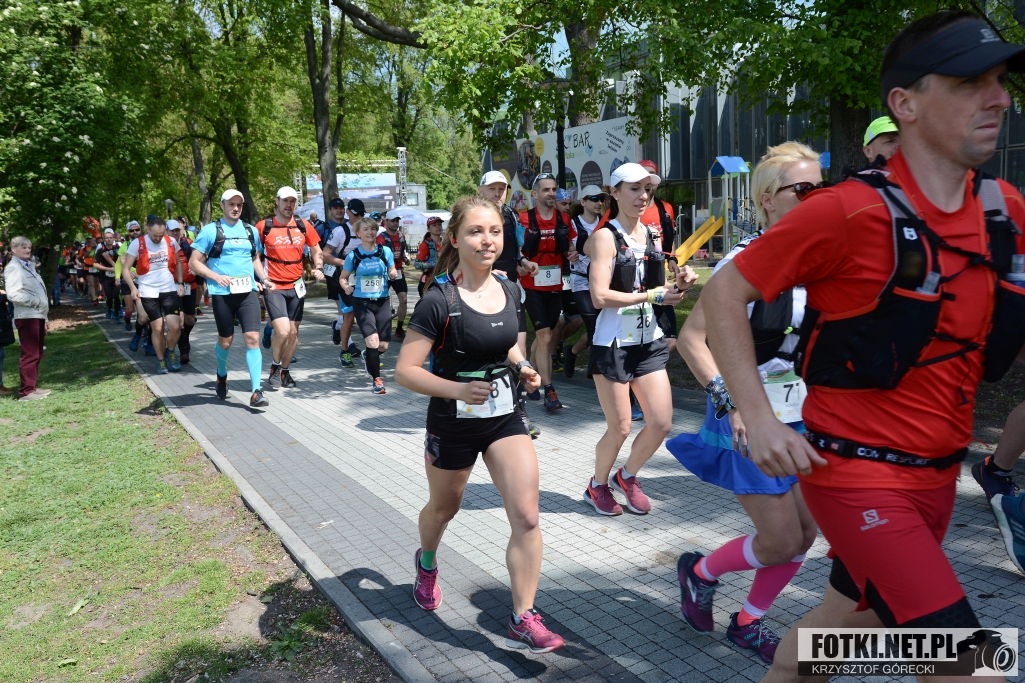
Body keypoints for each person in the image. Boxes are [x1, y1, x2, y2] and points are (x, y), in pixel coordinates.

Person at [701, 12, 1025, 681]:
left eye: (1000, 81)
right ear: (904, 103)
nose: (998, 98)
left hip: (938, 475)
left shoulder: (1004, 208)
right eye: (970, 83)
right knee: (973, 663)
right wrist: (756, 415)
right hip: (856, 476)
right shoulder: (846, 209)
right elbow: (723, 293)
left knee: (847, 625)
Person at [669, 142, 824, 665]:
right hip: (746, 415)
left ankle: (748, 621)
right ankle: (700, 573)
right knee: (779, 540)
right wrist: (732, 403)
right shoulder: (743, 262)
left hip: (801, 415)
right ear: (767, 199)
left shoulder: (822, 261)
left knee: (805, 534)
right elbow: (692, 340)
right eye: (803, 189)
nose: (816, 197)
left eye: (821, 188)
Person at [394, 194, 565, 654]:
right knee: (443, 510)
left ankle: (523, 616)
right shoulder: (438, 300)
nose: (487, 240)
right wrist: (456, 390)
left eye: (494, 231)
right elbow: (405, 371)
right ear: (455, 239)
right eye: (475, 231)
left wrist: (522, 366)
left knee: (527, 516)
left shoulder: (510, 290)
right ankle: (427, 562)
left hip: (504, 416)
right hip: (452, 420)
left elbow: (507, 343)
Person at [583, 162, 697, 516]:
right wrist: (651, 296)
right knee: (619, 428)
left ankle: (627, 475)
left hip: (648, 341)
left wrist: (679, 287)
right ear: (614, 193)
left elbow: (657, 289)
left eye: (647, 189)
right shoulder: (605, 237)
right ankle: (597, 485)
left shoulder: (652, 234)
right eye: (634, 188)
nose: (643, 195)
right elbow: (599, 296)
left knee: (661, 422)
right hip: (613, 344)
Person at [189, 189, 275, 408]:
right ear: (222, 205)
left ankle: (256, 392)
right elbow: (194, 262)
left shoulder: (250, 230)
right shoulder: (210, 231)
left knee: (253, 338)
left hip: (247, 293)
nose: (235, 208)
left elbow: (254, 258)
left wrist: (264, 279)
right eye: (231, 204)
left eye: (239, 205)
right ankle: (221, 374)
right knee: (226, 341)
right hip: (222, 295)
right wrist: (215, 277)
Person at [479, 170, 541, 439]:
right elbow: (460, 257)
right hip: (482, 293)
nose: (497, 193)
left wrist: (524, 262)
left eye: (501, 188)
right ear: (481, 190)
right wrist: (487, 271)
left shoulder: (511, 215)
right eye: (492, 188)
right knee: (490, 353)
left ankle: (519, 413)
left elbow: (515, 254)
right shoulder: (475, 217)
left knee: (520, 354)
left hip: (511, 290)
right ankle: (485, 408)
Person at [519, 173, 575, 412]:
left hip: (555, 285)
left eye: (553, 189)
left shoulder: (564, 219)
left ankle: (529, 376)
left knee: (546, 337)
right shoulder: (523, 219)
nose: (551, 193)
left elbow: (570, 244)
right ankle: (549, 390)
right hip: (531, 286)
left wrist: (572, 252)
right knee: (544, 337)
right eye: (546, 190)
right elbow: (515, 251)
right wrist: (522, 264)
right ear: (535, 194)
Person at [259, 186, 325, 389]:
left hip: (296, 286)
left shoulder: (303, 225)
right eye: (285, 201)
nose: (289, 205)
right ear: (277, 201)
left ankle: (284, 372)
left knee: (293, 334)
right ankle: (275, 366)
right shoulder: (264, 226)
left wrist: (318, 267)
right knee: (283, 331)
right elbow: (252, 255)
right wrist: (258, 279)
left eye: (292, 201)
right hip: (273, 286)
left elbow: (316, 250)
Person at [339, 217, 400, 394]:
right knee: (372, 341)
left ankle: (369, 355)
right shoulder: (353, 256)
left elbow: (392, 269)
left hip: (382, 301)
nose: (370, 232)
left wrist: (393, 273)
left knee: (383, 345)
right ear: (358, 234)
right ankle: (377, 380)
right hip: (362, 302)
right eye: (365, 229)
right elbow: (342, 278)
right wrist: (346, 287)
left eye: (373, 229)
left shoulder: (385, 251)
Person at [121, 216, 185, 375]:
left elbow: (178, 263)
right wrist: (133, 288)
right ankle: (161, 360)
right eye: (155, 235)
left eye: (161, 235)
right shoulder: (137, 243)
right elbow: (125, 269)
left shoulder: (171, 241)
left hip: (168, 289)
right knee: (157, 327)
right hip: (148, 291)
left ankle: (171, 351)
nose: (158, 238)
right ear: (147, 229)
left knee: (175, 326)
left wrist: (180, 283)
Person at [638, 160, 681, 355]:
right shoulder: (626, 210)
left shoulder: (666, 208)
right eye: (643, 174)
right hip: (632, 283)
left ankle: (649, 369)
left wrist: (672, 259)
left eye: (652, 175)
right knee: (635, 339)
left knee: (670, 339)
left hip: (658, 279)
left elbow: (668, 237)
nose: (648, 180)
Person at [563, 185, 606, 379]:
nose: (599, 203)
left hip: (602, 280)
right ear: (583, 202)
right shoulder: (573, 224)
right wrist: (570, 253)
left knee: (601, 326)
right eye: (594, 198)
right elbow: (568, 246)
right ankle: (597, 371)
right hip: (580, 279)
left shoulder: (606, 223)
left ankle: (571, 352)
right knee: (592, 325)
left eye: (601, 199)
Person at [4, 236, 51, 400]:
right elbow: (13, 294)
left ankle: (32, 387)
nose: (27, 250)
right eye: (23, 247)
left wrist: (45, 317)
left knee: (37, 353)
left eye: (29, 247)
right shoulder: (13, 268)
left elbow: (39, 291)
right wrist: (35, 301)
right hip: (27, 316)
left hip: (37, 315)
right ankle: (26, 391)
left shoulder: (29, 266)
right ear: (13, 249)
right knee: (29, 353)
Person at [324, 198, 365, 367]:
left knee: (367, 315)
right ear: (349, 213)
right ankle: (345, 351)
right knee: (349, 316)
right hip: (344, 278)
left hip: (365, 279)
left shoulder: (368, 229)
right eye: (356, 214)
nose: (359, 218)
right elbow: (325, 255)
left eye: (361, 214)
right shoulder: (340, 232)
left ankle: (372, 352)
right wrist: (345, 263)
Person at [377, 210, 411, 340]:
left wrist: (405, 258)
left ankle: (399, 328)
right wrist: (390, 256)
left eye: (397, 221)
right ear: (386, 222)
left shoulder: (401, 236)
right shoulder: (381, 237)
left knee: (404, 299)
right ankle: (382, 327)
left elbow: (404, 252)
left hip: (398, 272)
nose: (395, 223)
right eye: (393, 221)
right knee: (382, 302)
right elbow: (376, 256)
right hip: (384, 272)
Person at [167, 221, 197, 365]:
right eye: (172, 230)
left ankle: (185, 337)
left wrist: (195, 267)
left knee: (189, 320)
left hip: (190, 285)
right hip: (172, 287)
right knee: (180, 319)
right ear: (166, 231)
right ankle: (183, 349)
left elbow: (200, 257)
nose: (175, 233)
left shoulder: (188, 244)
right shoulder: (164, 246)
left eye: (177, 230)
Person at [94, 228, 122, 322]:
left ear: (113, 238)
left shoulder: (118, 249)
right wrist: (108, 269)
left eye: (110, 238)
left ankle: (117, 315)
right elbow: (95, 264)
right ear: (104, 239)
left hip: (117, 276)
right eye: (106, 238)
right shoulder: (100, 250)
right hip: (105, 276)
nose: (109, 240)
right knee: (109, 296)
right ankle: (109, 308)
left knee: (117, 296)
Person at [118, 221, 141, 333]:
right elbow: (120, 262)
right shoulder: (124, 245)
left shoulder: (146, 242)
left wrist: (138, 272)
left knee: (141, 310)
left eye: (137, 229)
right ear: (128, 232)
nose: (135, 232)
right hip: (128, 279)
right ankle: (127, 319)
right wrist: (117, 277)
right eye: (132, 230)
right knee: (131, 308)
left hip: (141, 278)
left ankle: (140, 331)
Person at [415, 217, 444, 297]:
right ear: (428, 229)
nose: (438, 227)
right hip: (427, 282)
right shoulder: (425, 245)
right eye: (434, 225)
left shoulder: (446, 243)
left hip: (443, 280)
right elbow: (417, 265)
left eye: (439, 224)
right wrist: (434, 263)